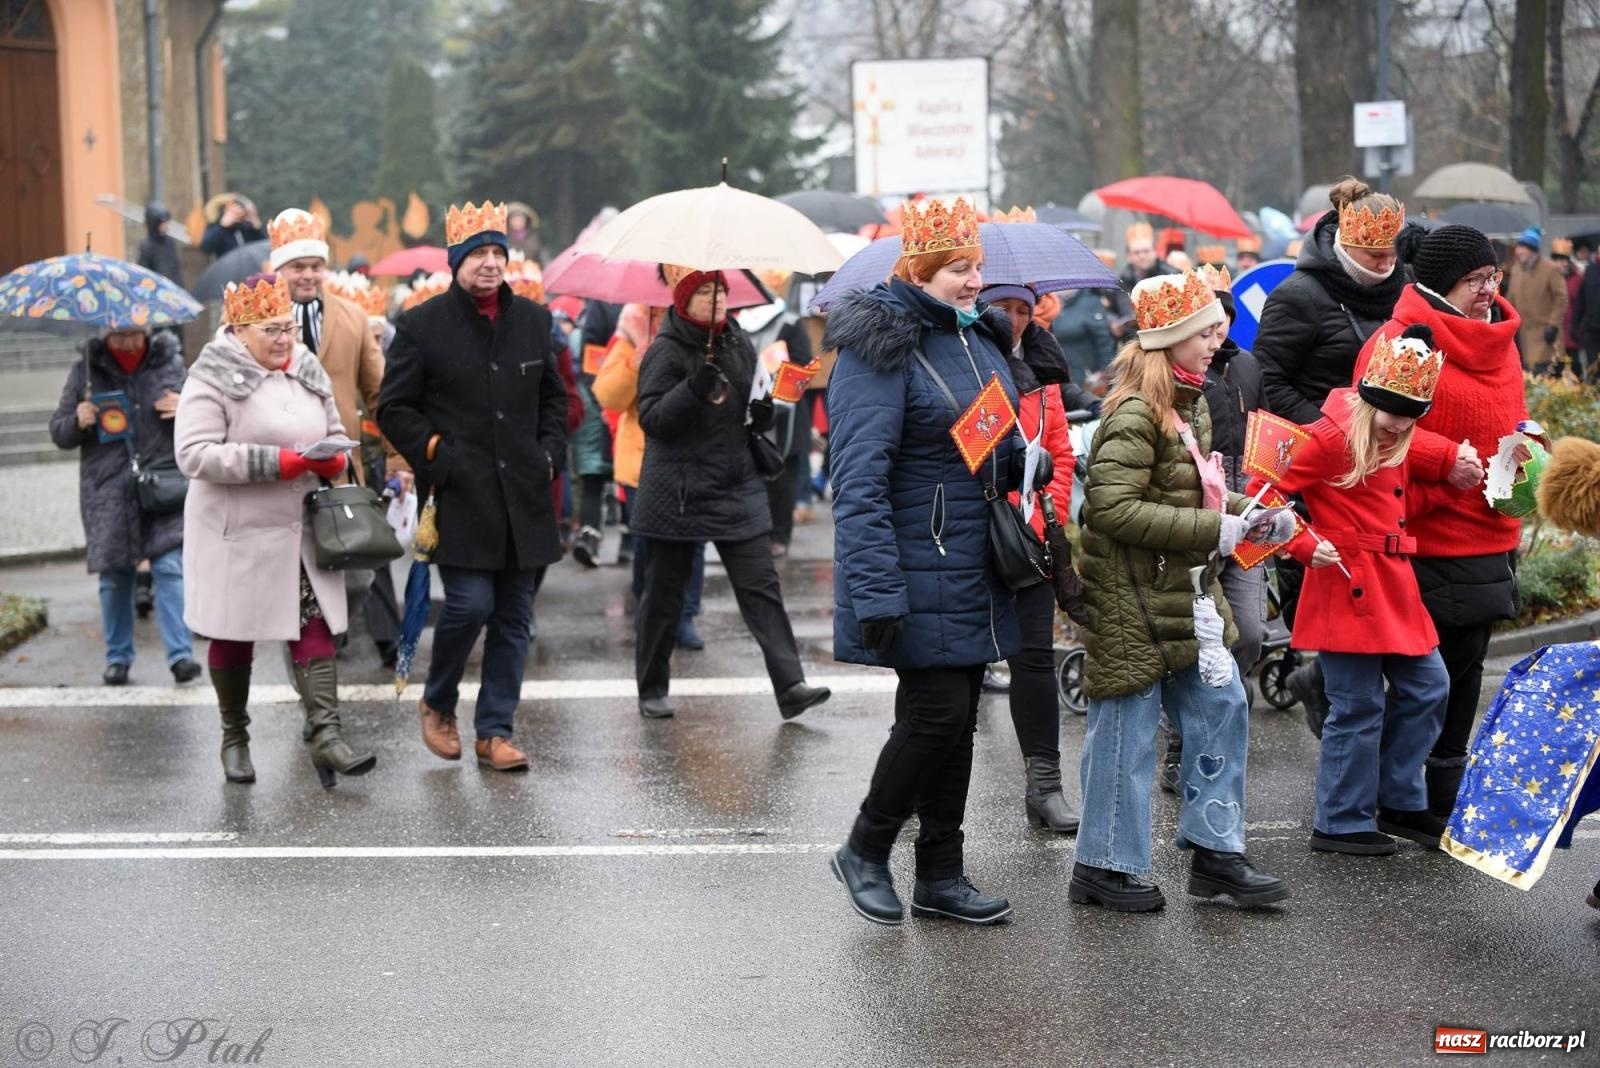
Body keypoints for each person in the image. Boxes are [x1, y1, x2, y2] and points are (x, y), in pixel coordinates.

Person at [824, 197, 1027, 926]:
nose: (974, 282)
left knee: (955, 713)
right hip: (914, 563)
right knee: (937, 715)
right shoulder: (878, 347)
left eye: (977, 267)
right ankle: (865, 847)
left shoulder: (978, 341)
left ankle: (941, 873)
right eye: (956, 270)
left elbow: (986, 443)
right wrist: (876, 590)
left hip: (971, 560)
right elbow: (857, 478)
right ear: (917, 270)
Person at [1071, 268, 1289, 913]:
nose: (1214, 343)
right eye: (1201, 334)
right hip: (1133, 600)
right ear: (1168, 342)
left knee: (1223, 711)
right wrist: (1218, 529)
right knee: (1126, 731)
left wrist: (1255, 513)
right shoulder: (1135, 411)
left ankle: (1218, 856)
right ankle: (1102, 867)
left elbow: (1199, 492)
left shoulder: (1188, 401)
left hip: (1187, 595)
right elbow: (1110, 509)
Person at [1260, 328, 1479, 854]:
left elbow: (1391, 508)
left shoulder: (1392, 435)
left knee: (1429, 686)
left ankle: (1397, 799)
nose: (1403, 425)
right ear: (1370, 401)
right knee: (1357, 708)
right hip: (1344, 581)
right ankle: (1340, 820)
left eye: (1411, 415)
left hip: (1391, 582)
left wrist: (1452, 485)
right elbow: (1262, 494)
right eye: (1394, 413)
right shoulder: (1329, 437)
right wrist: (1306, 545)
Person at [378, 201, 570, 773]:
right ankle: (438, 700)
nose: (489, 264)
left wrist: (550, 454)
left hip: (526, 494)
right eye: (478, 254)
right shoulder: (422, 325)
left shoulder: (534, 321)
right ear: (457, 261)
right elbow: (394, 407)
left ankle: (495, 731)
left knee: (515, 617)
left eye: (497, 253)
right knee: (468, 603)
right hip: (461, 493)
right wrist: (436, 452)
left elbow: (554, 399)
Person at [175, 274, 376, 787]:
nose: (285, 339)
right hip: (236, 531)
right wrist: (275, 463)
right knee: (234, 635)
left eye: (288, 327)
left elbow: (334, 427)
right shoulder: (211, 375)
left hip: (301, 527)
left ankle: (327, 736)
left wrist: (332, 459)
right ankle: (235, 736)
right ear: (239, 330)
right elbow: (193, 454)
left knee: (313, 626)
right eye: (271, 329)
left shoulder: (306, 366)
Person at [1356, 223, 1528, 819]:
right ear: (1439, 284)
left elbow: (1514, 414)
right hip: (1429, 528)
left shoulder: (1501, 338)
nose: (1487, 289)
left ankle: (1438, 785)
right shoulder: (1404, 338)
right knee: (1434, 671)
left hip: (1493, 523)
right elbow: (1366, 419)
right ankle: (1411, 792)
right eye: (1474, 279)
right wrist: (1440, 458)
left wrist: (1529, 448)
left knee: (1467, 663)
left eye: (1492, 276)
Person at [629, 264, 830, 722]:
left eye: (721, 291)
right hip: (678, 491)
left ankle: (791, 685)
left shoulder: (736, 339)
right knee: (664, 594)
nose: (718, 300)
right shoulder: (665, 349)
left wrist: (763, 409)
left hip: (735, 484)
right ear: (684, 299)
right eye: (706, 293)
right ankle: (652, 687)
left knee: (762, 586)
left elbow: (745, 402)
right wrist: (692, 388)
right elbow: (654, 420)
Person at [1253, 177, 1408, 730]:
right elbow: (1265, 379)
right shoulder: (1300, 295)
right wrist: (1335, 427)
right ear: (1345, 243)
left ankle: (1347, 699)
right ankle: (1329, 688)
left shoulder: (1403, 286)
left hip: (1391, 457)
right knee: (1335, 591)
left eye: (1392, 253)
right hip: (1321, 459)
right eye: (1374, 254)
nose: (1386, 263)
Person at [268, 208, 408, 666]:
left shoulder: (350, 317)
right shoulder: (258, 322)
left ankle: (334, 641)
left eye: (314, 266)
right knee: (294, 583)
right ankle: (313, 676)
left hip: (341, 470)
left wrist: (398, 459)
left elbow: (382, 394)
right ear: (280, 270)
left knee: (359, 573)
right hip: (279, 470)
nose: (307, 275)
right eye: (297, 267)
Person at [1156, 265, 1268, 794]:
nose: (1216, 330)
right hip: (1195, 512)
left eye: (1224, 317)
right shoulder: (1171, 376)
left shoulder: (1247, 367)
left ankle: (1218, 718)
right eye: (1207, 320)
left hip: (1243, 506)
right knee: (1196, 635)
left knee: (1247, 630)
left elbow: (1265, 431)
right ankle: (1184, 740)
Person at [981, 281, 1080, 835]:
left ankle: (1045, 787)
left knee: (1035, 659)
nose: (1015, 319)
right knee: (953, 669)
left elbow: (1062, 453)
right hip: (974, 530)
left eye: (1023, 309)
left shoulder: (1044, 374)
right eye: (1003, 308)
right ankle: (923, 788)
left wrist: (1047, 513)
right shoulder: (967, 363)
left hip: (1030, 533)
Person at [49, 328, 198, 686]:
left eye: (133, 335)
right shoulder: (85, 371)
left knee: (169, 567)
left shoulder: (171, 364)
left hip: (161, 484)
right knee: (115, 576)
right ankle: (118, 658)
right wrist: (76, 421)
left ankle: (181, 656)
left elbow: (210, 415)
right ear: (105, 335)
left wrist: (187, 407)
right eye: (119, 337)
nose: (128, 344)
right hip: (108, 489)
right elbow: (58, 432)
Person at [591, 302, 708, 650]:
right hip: (643, 456)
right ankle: (651, 610)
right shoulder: (632, 327)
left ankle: (685, 615)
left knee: (694, 539)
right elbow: (608, 395)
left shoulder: (709, 329)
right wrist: (635, 363)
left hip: (694, 452)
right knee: (648, 540)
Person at [1504, 227, 1569, 376]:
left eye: (1522, 248)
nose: (1518, 251)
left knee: (1544, 379)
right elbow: (1510, 300)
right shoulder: (1516, 270)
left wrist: (1553, 325)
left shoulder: (1550, 269)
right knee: (1530, 380)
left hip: (1546, 337)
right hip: (1525, 339)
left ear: (1532, 249)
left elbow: (1561, 298)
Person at [200, 195, 266, 259]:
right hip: (228, 266)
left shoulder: (247, 227)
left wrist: (256, 224)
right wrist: (223, 226)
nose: (237, 212)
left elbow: (264, 246)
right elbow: (206, 248)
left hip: (249, 265)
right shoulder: (216, 227)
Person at [1119, 221, 1178, 291]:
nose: (1142, 256)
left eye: (1146, 251)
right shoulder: (1123, 280)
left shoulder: (1171, 276)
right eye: (1136, 252)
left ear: (1155, 251)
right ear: (1129, 256)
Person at [136, 202, 183, 285]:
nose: (167, 225)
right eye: (163, 223)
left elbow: (175, 270)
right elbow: (144, 273)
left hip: (173, 288)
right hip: (156, 289)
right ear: (154, 224)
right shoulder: (147, 246)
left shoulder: (170, 243)